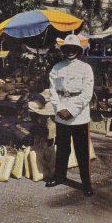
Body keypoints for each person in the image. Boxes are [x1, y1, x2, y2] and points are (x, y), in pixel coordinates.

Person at [45, 34, 94, 197]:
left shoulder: (86, 68)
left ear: (79, 50)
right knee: (63, 149)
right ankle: (60, 177)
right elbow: (53, 90)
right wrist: (59, 108)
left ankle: (86, 183)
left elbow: (87, 93)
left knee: (82, 151)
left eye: (74, 49)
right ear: (63, 50)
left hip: (78, 115)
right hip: (61, 113)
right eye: (67, 48)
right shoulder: (56, 68)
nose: (70, 51)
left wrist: (71, 110)